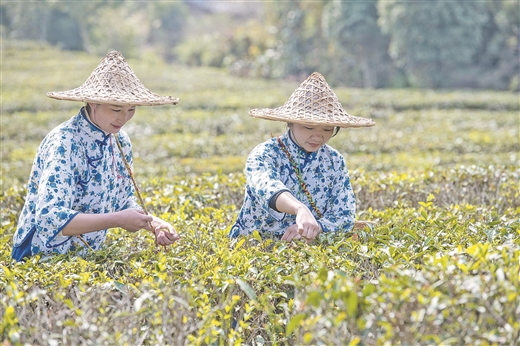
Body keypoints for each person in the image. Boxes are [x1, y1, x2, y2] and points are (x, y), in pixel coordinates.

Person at [12, 51, 180, 262]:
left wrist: (154, 224)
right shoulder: (64, 143)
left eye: (131, 109)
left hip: (85, 258)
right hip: (41, 257)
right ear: (93, 103)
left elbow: (122, 199)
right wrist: (118, 220)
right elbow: (49, 218)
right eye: (116, 109)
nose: (124, 118)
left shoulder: (120, 140)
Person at [229, 72, 375, 243]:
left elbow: (344, 215)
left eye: (327, 130)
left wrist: (314, 228)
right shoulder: (265, 154)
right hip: (257, 247)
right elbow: (267, 188)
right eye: (308, 127)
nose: (318, 136)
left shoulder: (334, 161)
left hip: (309, 250)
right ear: (290, 122)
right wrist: (300, 209)